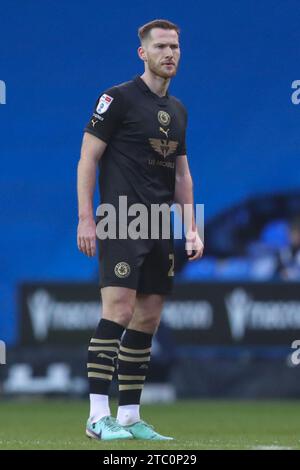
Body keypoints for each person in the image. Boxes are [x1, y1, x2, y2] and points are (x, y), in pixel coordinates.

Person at [77, 19, 203, 441]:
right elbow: (88, 159)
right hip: (120, 218)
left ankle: (129, 415)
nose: (170, 54)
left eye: (175, 47)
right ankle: (97, 417)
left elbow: (182, 177)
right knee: (118, 312)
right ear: (142, 53)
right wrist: (86, 218)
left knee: (147, 319)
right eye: (161, 47)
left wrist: (191, 228)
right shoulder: (117, 99)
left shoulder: (179, 111)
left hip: (157, 224)